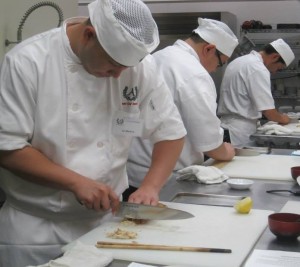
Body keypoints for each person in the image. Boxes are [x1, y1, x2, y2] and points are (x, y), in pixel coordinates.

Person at [0, 0, 186, 266]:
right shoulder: (28, 61)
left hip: (105, 226)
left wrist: (150, 187)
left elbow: (171, 132)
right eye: (112, 65)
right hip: (35, 231)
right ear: (89, 35)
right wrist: (76, 182)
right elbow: (8, 149)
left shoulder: (139, 68)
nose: (119, 75)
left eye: (126, 67)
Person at [124, 18, 239, 199]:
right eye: (220, 63)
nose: (216, 69)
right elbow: (209, 143)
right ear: (209, 49)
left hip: (132, 174)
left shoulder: (157, 57)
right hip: (167, 181)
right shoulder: (194, 74)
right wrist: (228, 152)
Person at [217, 38, 295, 147]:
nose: (274, 71)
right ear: (275, 57)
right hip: (240, 132)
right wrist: (286, 119)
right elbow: (269, 112)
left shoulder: (238, 61)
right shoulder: (258, 68)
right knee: (241, 162)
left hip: (225, 126)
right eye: (278, 67)